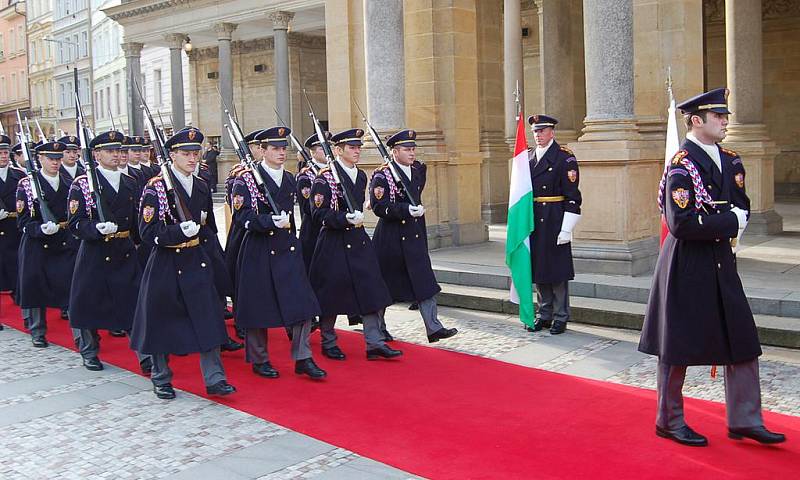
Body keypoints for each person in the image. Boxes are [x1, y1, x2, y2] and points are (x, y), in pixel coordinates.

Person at [639, 87, 785, 447]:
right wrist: (730, 222)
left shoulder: (731, 160)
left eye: (725, 116)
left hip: (721, 259)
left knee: (743, 338)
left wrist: (733, 220)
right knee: (677, 345)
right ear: (696, 121)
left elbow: (743, 206)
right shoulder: (681, 165)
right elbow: (682, 223)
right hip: (687, 262)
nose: (724, 121)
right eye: (718, 116)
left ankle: (745, 420)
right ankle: (669, 420)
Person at [130, 127, 236, 400]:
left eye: (195, 153)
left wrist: (215, 257)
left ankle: (215, 378)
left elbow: (208, 227)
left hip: (196, 260)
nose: (192, 158)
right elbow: (147, 232)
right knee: (161, 321)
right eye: (186, 153)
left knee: (209, 318)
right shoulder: (156, 188)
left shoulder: (200, 184)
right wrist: (177, 233)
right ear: (172, 155)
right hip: (167, 261)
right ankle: (161, 377)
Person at [231, 126, 326, 379]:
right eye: (275, 148)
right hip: (259, 247)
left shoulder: (290, 179)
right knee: (257, 307)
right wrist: (268, 221)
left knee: (303, 303)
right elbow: (242, 216)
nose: (281, 153)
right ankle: (260, 358)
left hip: (286, 246)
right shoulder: (247, 179)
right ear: (262, 150)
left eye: (283, 148)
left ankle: (303, 357)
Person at [308, 128, 401, 361]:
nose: (357, 151)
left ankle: (374, 342)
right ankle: (328, 341)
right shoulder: (325, 177)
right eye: (352, 147)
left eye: (359, 147)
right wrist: (343, 218)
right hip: (333, 240)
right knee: (331, 293)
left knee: (371, 288)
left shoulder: (360, 175)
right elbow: (318, 213)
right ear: (338, 150)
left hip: (357, 240)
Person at [369, 129, 458, 343]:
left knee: (425, 282)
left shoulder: (416, 171)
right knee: (385, 285)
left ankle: (434, 328)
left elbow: (417, 184)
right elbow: (379, 207)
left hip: (413, 235)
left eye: (413, 149)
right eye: (407, 150)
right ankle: (379, 329)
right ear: (395, 152)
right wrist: (405, 210)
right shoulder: (382, 176)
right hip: (391, 237)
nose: (412, 153)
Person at [67, 130, 141, 371]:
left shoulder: (130, 181)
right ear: (96, 154)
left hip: (124, 249)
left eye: (119, 151)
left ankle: (145, 355)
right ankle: (89, 350)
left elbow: (137, 219)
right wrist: (95, 228)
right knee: (88, 303)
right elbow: (75, 222)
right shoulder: (84, 183)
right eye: (110, 151)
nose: (116, 155)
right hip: (95, 252)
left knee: (132, 303)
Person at [16, 141, 79, 347]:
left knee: (72, 288)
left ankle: (80, 335)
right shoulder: (27, 185)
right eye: (51, 158)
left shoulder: (69, 183)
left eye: (58, 158)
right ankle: (37, 330)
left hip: (63, 241)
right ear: (40, 159)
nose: (55, 162)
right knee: (35, 287)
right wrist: (39, 229)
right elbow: (23, 220)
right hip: (38, 243)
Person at [527, 114, 582, 335]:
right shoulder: (529, 157)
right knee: (540, 268)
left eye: (542, 131)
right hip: (535, 219)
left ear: (552, 132)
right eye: (535, 132)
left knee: (557, 271)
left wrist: (567, 227)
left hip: (555, 217)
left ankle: (561, 316)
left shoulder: (564, 158)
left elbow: (572, 196)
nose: (538, 135)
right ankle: (544, 313)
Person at [0, 134, 25, 299]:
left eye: (5, 152)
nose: (3, 156)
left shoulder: (19, 175)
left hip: (14, 227)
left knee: (16, 264)